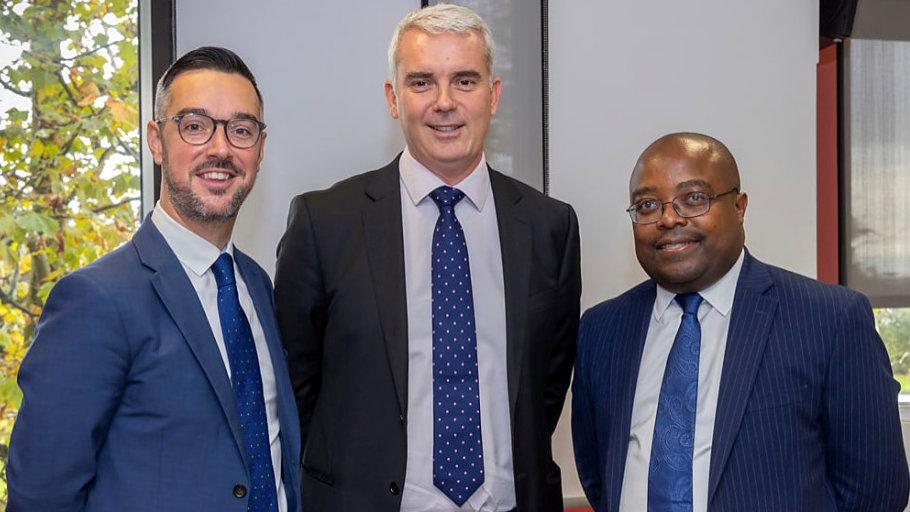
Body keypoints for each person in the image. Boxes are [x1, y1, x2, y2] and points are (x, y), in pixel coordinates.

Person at [274, 4, 580, 511]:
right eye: (421, 82)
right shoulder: (324, 223)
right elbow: (296, 388)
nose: (444, 102)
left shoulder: (550, 227)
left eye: (464, 81)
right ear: (394, 99)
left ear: (493, 95)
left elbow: (546, 385)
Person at [7, 47, 300, 512]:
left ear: (260, 150)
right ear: (157, 141)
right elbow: (42, 495)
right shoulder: (95, 300)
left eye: (241, 130)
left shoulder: (257, 287)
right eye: (195, 126)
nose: (220, 148)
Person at [572, 132, 909, 512]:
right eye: (647, 205)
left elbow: (876, 492)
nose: (668, 218)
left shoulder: (829, 320)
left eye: (693, 198)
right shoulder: (601, 331)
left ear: (740, 206)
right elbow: (599, 474)